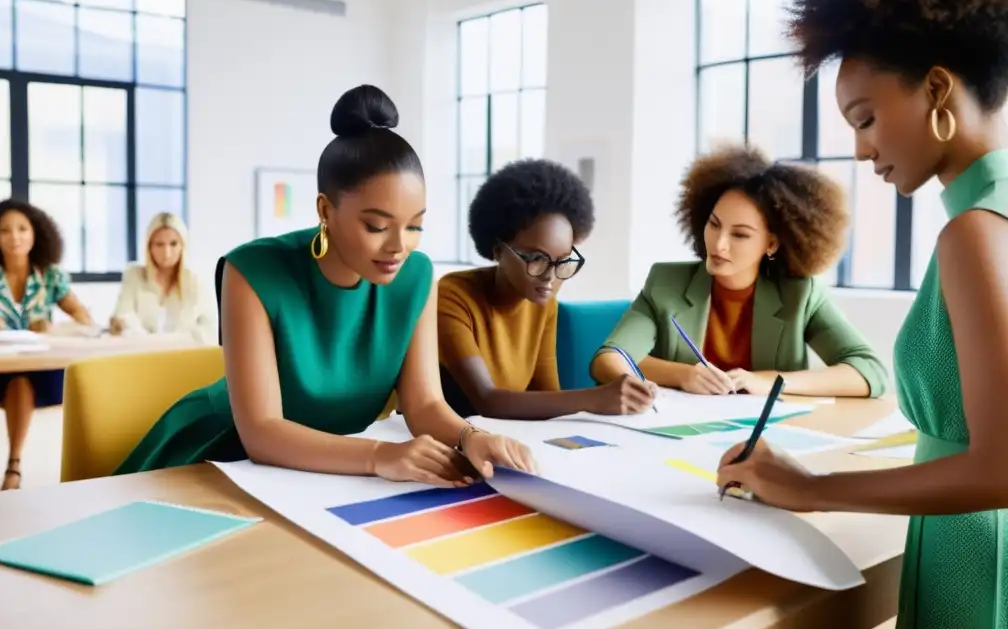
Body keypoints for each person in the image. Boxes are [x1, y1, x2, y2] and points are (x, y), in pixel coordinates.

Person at [713, 0, 1008, 629]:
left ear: (938, 90)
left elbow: (1002, 464)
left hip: (980, 559)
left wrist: (807, 489)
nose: (860, 147)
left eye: (867, 117)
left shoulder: (976, 234)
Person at [115, 85, 535, 483]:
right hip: (214, 455)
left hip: (325, 468)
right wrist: (379, 456)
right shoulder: (252, 271)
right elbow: (261, 432)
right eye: (376, 225)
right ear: (325, 209)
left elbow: (424, 404)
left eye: (415, 226)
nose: (398, 247)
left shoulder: (417, 276)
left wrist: (472, 437)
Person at [590, 145, 889, 398]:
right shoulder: (666, 283)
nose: (719, 244)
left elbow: (869, 371)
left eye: (740, 235)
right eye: (714, 224)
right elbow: (609, 359)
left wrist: (770, 382)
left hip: (766, 440)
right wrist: (683, 375)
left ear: (771, 243)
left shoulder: (799, 294)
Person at [438, 159, 657, 420]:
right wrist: (595, 398)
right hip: (449, 442)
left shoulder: (542, 302)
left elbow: (547, 394)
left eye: (563, 261)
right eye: (536, 259)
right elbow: (487, 400)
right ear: (498, 250)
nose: (550, 277)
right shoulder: (452, 295)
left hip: (508, 438)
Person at [0, 200, 93, 489]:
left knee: (22, 378)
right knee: (16, 379)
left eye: (22, 229)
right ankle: (14, 466)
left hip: (44, 370)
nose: (14, 237)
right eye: (5, 230)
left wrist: (55, 328)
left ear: (36, 234)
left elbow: (84, 318)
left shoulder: (51, 277)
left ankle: (13, 466)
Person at [109, 212, 215, 344]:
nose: (167, 253)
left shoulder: (195, 281)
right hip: (141, 355)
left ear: (183, 246)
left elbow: (210, 331)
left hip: (185, 357)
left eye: (174, 244)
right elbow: (122, 316)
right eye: (159, 244)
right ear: (149, 247)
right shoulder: (134, 275)